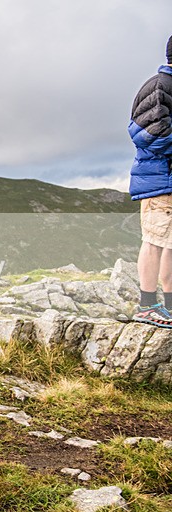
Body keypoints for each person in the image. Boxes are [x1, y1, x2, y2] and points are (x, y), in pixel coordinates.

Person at [128, 35, 172, 328]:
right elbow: (149, 135)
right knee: (155, 240)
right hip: (160, 179)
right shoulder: (160, 87)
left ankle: (168, 305)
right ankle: (147, 305)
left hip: (167, 179)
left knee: (169, 244)